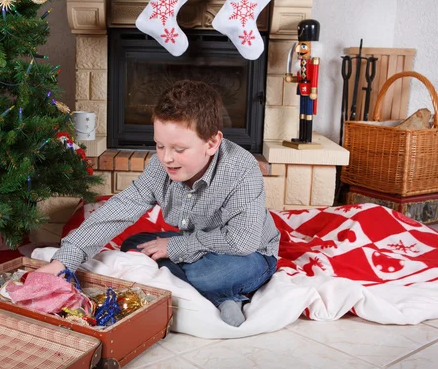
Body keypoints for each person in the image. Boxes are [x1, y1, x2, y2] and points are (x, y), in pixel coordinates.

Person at [38, 80, 280, 327]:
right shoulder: (160, 166)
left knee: (207, 275)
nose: (166, 158)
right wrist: (62, 261)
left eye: (179, 149)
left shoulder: (241, 169)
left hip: (249, 253)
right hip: (197, 240)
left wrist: (174, 247)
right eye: (160, 145)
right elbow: (120, 208)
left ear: (212, 143)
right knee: (134, 244)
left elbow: (243, 241)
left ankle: (221, 294)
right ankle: (220, 295)